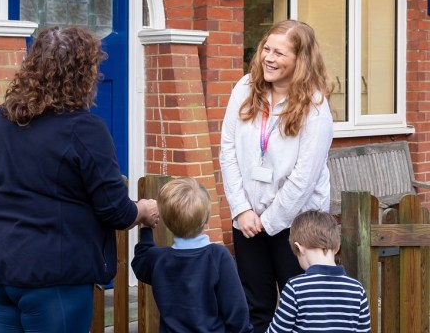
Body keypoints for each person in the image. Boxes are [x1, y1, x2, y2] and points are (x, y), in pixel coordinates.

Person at [0, 26, 159, 333]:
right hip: (54, 279)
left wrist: (0, 229)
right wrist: (146, 210)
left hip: (0, 269)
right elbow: (115, 211)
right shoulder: (85, 129)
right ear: (83, 73)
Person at [219, 19, 334, 332]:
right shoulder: (244, 88)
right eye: (266, 49)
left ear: (301, 60)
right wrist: (241, 210)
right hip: (247, 222)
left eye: (279, 53)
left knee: (303, 310)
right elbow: (227, 149)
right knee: (256, 307)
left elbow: (304, 177)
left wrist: (268, 223)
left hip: (297, 225)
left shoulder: (316, 107)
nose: (268, 57)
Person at [131, 177, 254, 333]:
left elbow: (140, 260)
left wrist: (146, 226)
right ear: (207, 218)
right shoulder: (218, 257)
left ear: (166, 222)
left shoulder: (159, 259)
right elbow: (237, 311)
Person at [266, 210, 371, 332]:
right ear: (337, 247)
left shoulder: (296, 287)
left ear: (299, 248)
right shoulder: (357, 289)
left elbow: (277, 330)